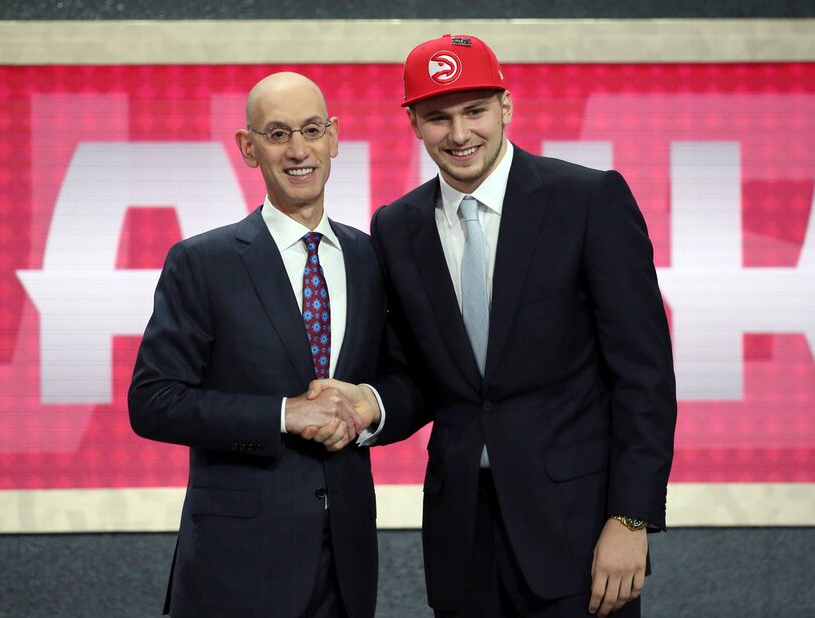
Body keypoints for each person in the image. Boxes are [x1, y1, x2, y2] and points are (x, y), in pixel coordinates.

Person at [309, 34, 677, 617]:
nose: (459, 135)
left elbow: (644, 376)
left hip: (578, 534)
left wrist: (630, 519)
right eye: (438, 118)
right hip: (461, 540)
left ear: (505, 106)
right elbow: (420, 377)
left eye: (474, 111)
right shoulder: (398, 228)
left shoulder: (587, 199)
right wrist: (370, 403)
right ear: (413, 123)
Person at [128, 72, 385, 618]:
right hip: (235, 566)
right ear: (249, 147)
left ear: (334, 138)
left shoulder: (372, 259)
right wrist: (282, 414)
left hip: (347, 560)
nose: (298, 150)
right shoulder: (203, 262)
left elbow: (412, 381)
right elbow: (153, 401)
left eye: (311, 130)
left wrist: (372, 405)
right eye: (277, 133)